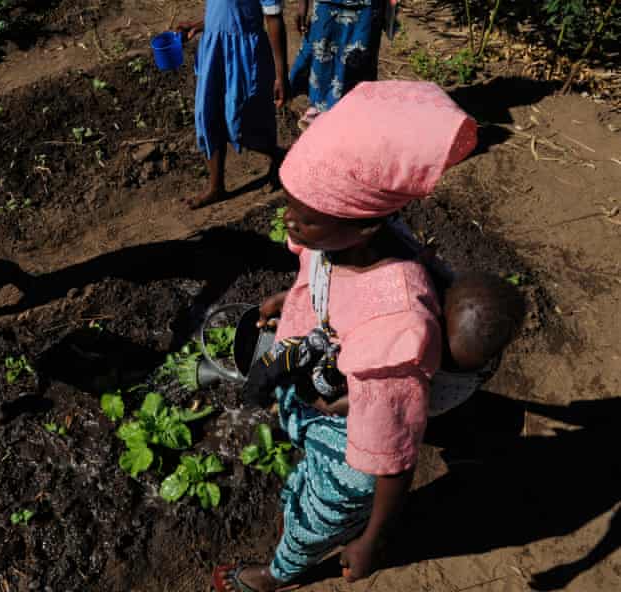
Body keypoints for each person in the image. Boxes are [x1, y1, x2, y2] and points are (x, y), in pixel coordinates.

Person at [211, 80, 479, 592]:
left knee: (319, 516)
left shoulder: (396, 329)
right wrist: (285, 300)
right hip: (327, 386)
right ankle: (309, 473)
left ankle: (279, 572)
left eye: (304, 219)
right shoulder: (337, 237)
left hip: (352, 446)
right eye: (289, 206)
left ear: (362, 228)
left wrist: (374, 541)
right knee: (299, 444)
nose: (289, 224)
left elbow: (393, 458)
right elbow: (316, 270)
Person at [178, 0, 289, 209]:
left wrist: (281, 74)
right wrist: (199, 25)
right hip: (214, 50)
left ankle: (279, 155)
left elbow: (273, 17)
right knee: (209, 115)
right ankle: (215, 187)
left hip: (244, 54)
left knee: (241, 122)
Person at [290, 0, 386, 131]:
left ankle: (349, 119)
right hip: (327, 4)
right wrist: (303, 4)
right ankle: (319, 109)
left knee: (358, 60)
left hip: (366, 7)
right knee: (321, 55)